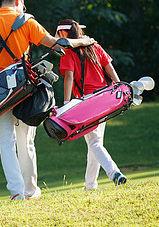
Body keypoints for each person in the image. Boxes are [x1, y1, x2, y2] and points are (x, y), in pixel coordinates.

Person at [0, 0, 95, 200]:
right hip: (24, 91)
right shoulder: (26, 21)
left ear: (1, 3)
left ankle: (16, 192)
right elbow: (57, 44)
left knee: (5, 142)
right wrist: (83, 41)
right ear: (18, 2)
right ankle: (30, 191)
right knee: (25, 142)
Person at [56, 18, 127, 190]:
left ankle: (114, 172)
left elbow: (69, 77)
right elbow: (109, 68)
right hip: (105, 98)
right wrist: (119, 86)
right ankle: (90, 185)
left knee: (94, 142)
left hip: (87, 102)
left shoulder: (69, 52)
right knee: (94, 142)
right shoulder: (94, 46)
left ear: (64, 33)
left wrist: (66, 103)